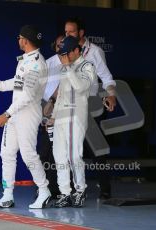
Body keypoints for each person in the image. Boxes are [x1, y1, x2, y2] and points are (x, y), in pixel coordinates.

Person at [0, 25, 51, 209]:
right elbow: (16, 84)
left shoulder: (37, 64)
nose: (18, 40)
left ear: (24, 40)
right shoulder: (24, 60)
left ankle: (44, 191)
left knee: (28, 155)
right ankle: (7, 195)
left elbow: (28, 95)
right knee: (6, 153)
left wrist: (7, 113)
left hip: (27, 115)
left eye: (19, 37)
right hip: (15, 114)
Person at [64, 17, 116, 199]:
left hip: (91, 104)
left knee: (97, 148)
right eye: (66, 32)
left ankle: (105, 188)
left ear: (81, 33)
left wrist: (111, 94)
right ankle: (69, 189)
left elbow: (107, 77)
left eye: (71, 32)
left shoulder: (95, 52)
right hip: (69, 103)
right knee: (69, 147)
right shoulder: (64, 50)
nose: (67, 35)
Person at [50, 36, 96, 208]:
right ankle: (65, 192)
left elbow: (81, 87)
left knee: (74, 155)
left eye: (67, 53)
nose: (64, 57)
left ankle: (80, 190)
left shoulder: (87, 66)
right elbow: (61, 94)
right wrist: (53, 116)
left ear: (77, 50)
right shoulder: (66, 67)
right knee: (59, 155)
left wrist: (68, 68)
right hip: (61, 116)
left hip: (75, 116)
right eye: (63, 54)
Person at [38, 34, 64, 200]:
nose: (61, 46)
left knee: (60, 154)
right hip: (47, 113)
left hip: (64, 114)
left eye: (64, 43)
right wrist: (43, 115)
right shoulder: (48, 63)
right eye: (58, 44)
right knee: (45, 152)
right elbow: (40, 90)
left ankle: (59, 189)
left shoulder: (75, 64)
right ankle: (43, 188)